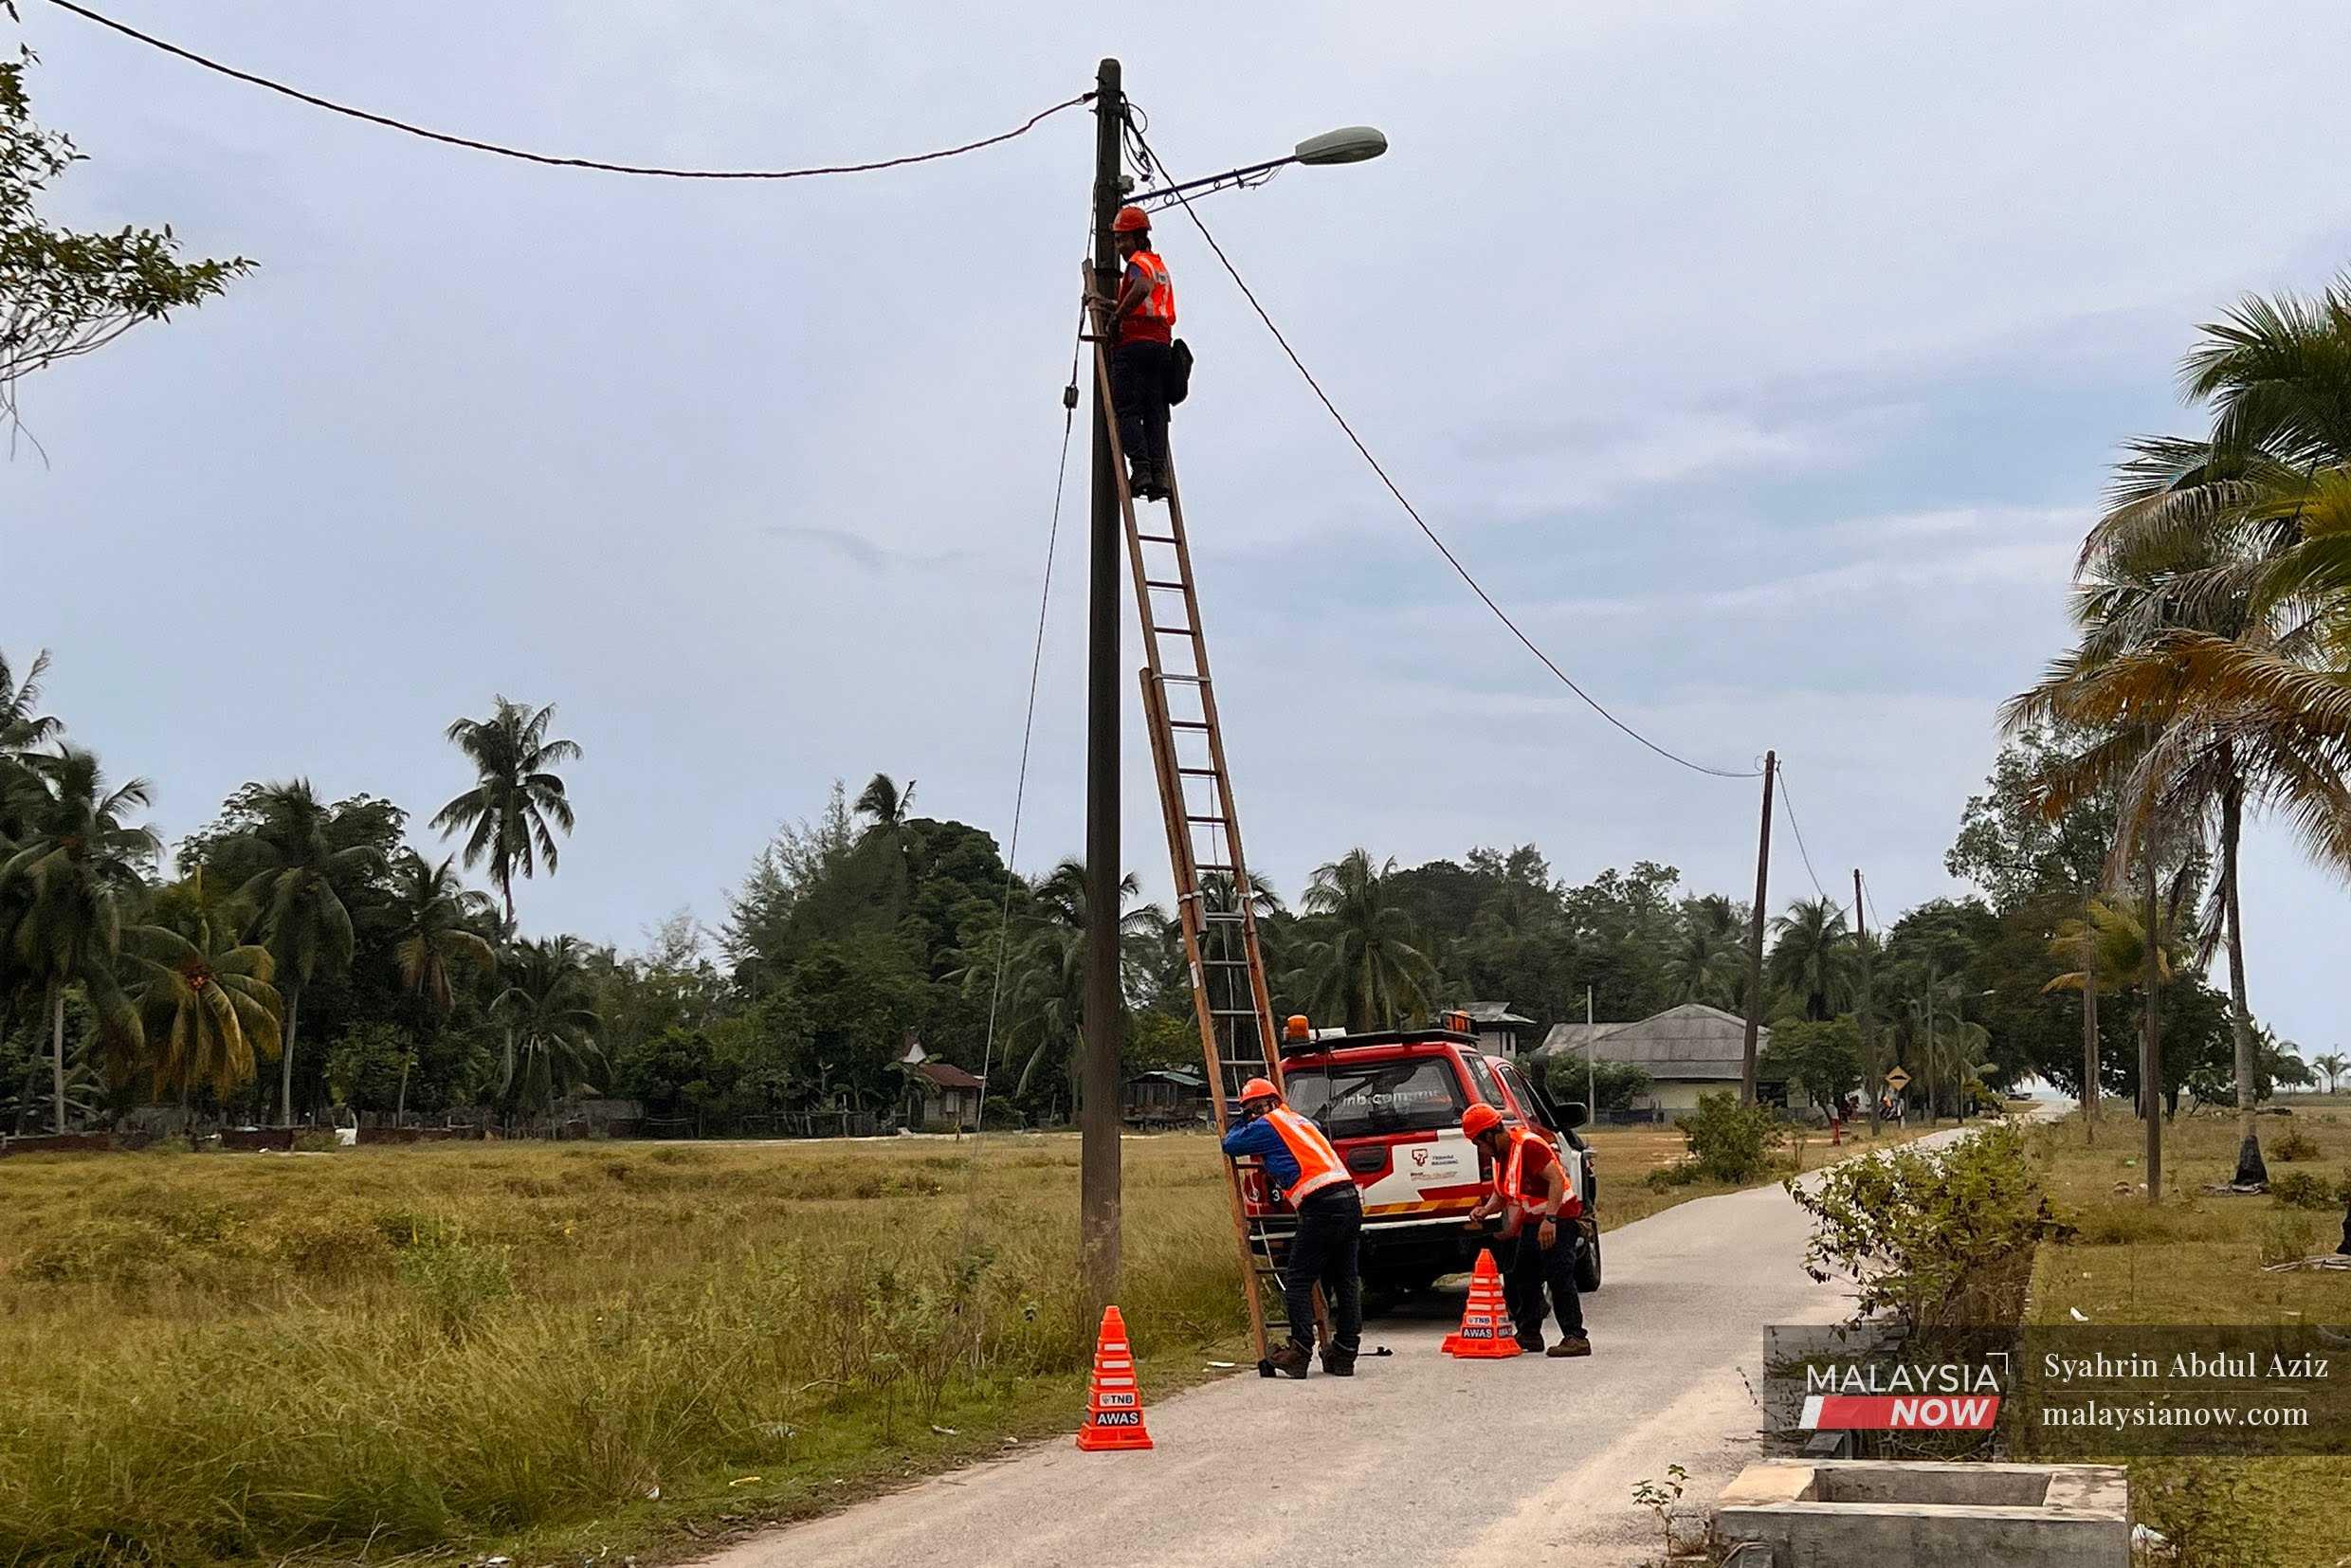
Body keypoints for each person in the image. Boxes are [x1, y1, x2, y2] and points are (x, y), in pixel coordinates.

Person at [1220, 1075, 1362, 1377]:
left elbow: (1230, 1144)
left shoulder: (1266, 1125)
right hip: (1349, 1198)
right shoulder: (1301, 1121)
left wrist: (1239, 1119)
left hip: (1322, 1204)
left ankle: (1299, 1351)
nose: (1256, 1113)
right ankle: (1345, 1352)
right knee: (1345, 1279)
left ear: (1267, 1105)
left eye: (1256, 1108)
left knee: (1297, 1278)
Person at [1462, 1103, 1592, 1358]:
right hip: (1534, 1221)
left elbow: (1555, 1180)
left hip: (1559, 1217)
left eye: (1478, 1143)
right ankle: (1530, 1333)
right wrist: (1485, 1211)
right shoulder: (1501, 1155)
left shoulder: (1528, 1146)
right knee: (1522, 1273)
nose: (1479, 1149)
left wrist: (1550, 1220)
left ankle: (1575, 1337)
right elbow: (1503, 1193)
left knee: (1559, 1275)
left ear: (1490, 1134)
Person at [1100, 204, 1176, 501]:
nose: (1119, 246)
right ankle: (1159, 475)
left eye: (1122, 239)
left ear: (1137, 237)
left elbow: (1141, 289)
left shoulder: (1138, 265)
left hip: (1133, 346)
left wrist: (1116, 319)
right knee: (1155, 412)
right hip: (1160, 345)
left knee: (1127, 409)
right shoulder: (1158, 265)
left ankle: (1141, 470)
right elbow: (1145, 302)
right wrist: (1107, 304)